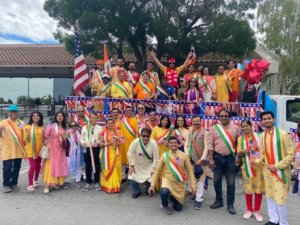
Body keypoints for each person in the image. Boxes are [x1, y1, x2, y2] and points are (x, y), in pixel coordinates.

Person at [258, 111, 294, 225]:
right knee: (270, 196)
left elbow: (291, 154)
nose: (267, 120)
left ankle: (283, 222)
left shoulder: (283, 134)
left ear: (273, 119)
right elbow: (261, 153)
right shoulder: (261, 136)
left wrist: (277, 166)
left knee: (280, 198)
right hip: (267, 171)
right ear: (262, 121)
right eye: (264, 119)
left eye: (269, 118)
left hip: (280, 172)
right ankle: (273, 220)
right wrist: (255, 160)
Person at [149, 136, 196, 215]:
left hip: (179, 184)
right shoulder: (164, 156)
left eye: (175, 143)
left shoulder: (184, 156)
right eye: (171, 143)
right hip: (167, 181)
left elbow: (190, 171)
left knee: (178, 208)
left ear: (178, 144)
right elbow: (157, 170)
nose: (173, 144)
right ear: (168, 144)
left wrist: (193, 186)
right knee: (164, 191)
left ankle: (171, 196)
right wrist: (152, 185)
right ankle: (165, 205)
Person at [208, 109, 239, 214]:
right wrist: (211, 158)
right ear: (218, 117)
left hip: (230, 159)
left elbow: (239, 144)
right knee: (216, 181)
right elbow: (210, 144)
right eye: (222, 116)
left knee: (231, 183)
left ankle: (230, 205)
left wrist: (239, 158)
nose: (224, 117)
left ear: (229, 117)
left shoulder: (236, 128)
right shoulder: (213, 129)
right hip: (217, 158)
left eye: (226, 116)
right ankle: (218, 201)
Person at [236, 120, 264, 222]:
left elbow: (262, 152)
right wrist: (242, 152)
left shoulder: (258, 136)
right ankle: (249, 210)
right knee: (248, 189)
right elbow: (239, 153)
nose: (245, 128)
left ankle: (256, 211)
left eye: (247, 126)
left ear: (251, 126)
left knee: (258, 189)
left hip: (258, 168)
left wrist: (252, 154)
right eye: (243, 127)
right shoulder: (240, 139)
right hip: (246, 168)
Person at [185, 116, 210, 210]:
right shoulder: (190, 131)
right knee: (192, 178)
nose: (195, 123)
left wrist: (202, 159)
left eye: (197, 121)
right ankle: (194, 194)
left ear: (201, 121)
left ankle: (199, 199)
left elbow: (206, 148)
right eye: (194, 121)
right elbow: (186, 144)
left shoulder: (205, 133)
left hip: (201, 160)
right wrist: (187, 154)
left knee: (201, 180)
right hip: (191, 159)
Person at [127, 128, 159, 198]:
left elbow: (156, 158)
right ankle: (136, 191)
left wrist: (153, 168)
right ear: (140, 135)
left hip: (149, 165)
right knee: (131, 175)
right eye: (143, 136)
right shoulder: (135, 142)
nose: (145, 138)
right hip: (137, 164)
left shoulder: (153, 143)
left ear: (150, 136)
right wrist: (132, 166)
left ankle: (148, 189)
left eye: (147, 136)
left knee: (152, 174)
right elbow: (129, 153)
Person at [0, 105, 24, 193]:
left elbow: (24, 136)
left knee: (17, 168)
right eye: (11, 112)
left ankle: (14, 183)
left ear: (17, 113)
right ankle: (6, 184)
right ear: (8, 113)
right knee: (7, 168)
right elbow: (1, 135)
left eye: (15, 112)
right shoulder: (3, 122)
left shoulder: (21, 123)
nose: (13, 113)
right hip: (7, 150)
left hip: (18, 150)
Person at [43, 111, 68, 194]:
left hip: (61, 150)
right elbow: (46, 136)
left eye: (61, 116)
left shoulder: (64, 127)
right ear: (56, 117)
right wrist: (48, 145)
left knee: (59, 165)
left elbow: (66, 138)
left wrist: (64, 138)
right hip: (53, 149)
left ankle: (57, 182)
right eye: (58, 116)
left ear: (63, 118)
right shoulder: (51, 126)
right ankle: (47, 185)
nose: (60, 117)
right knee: (51, 166)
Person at [80, 112, 103, 191]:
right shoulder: (84, 127)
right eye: (91, 117)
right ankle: (88, 182)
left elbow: (101, 139)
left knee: (96, 165)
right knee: (88, 165)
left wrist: (98, 143)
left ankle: (96, 182)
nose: (93, 119)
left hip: (95, 148)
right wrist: (82, 142)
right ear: (89, 118)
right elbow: (82, 138)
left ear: (97, 119)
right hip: (87, 148)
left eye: (94, 117)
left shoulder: (100, 128)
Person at [100, 117, 122, 193]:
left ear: (113, 124)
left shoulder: (117, 132)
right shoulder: (103, 132)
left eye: (111, 123)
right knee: (109, 169)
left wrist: (119, 143)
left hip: (116, 152)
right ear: (106, 124)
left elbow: (120, 141)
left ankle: (116, 186)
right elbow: (101, 144)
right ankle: (109, 186)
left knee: (116, 168)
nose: (110, 125)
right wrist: (110, 143)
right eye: (108, 123)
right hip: (107, 153)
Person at [23, 111, 44, 192]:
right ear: (31, 117)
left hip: (40, 150)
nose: (36, 117)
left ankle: (35, 180)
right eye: (34, 116)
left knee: (38, 165)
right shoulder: (27, 127)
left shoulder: (41, 127)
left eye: (37, 116)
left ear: (40, 118)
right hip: (31, 150)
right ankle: (30, 184)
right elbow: (25, 140)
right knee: (32, 166)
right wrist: (28, 135)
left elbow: (44, 138)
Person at [120, 106, 138, 178]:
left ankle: (132, 175)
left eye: (130, 110)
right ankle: (124, 176)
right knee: (124, 158)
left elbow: (137, 132)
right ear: (125, 112)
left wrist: (136, 141)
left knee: (131, 158)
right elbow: (119, 130)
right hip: (123, 143)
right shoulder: (122, 120)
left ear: (132, 111)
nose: (128, 112)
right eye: (127, 110)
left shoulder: (135, 120)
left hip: (132, 142)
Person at [66, 121, 82, 188]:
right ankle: (67, 180)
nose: (73, 127)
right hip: (69, 152)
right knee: (68, 165)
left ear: (77, 126)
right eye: (71, 126)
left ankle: (77, 179)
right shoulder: (68, 133)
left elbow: (81, 141)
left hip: (77, 152)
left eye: (74, 125)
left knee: (78, 165)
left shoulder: (79, 133)